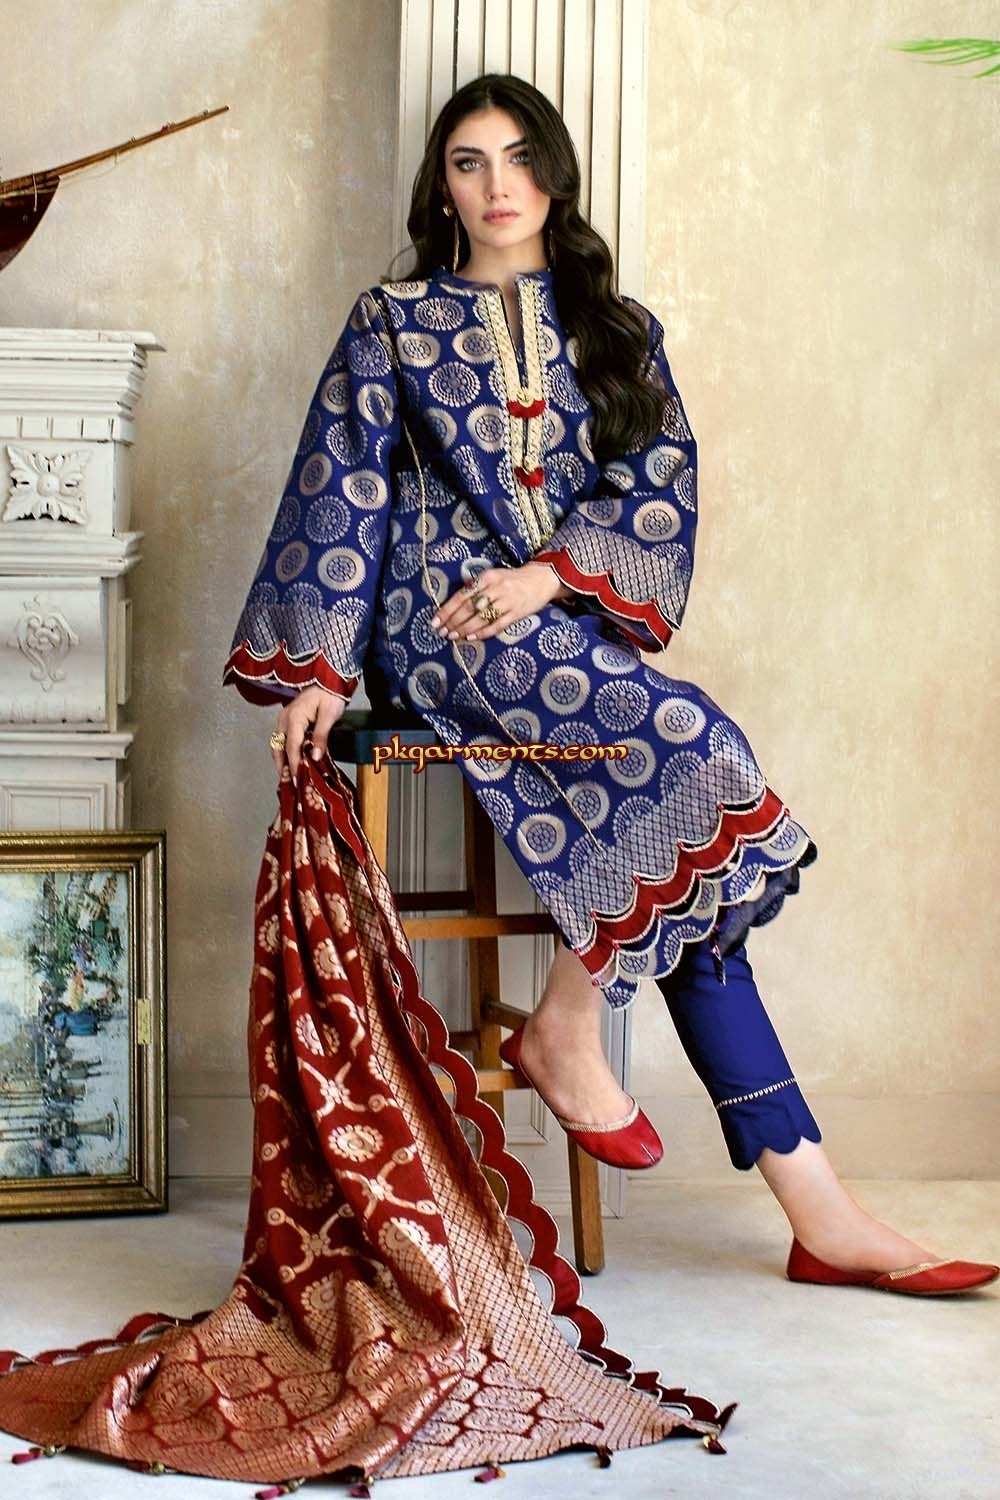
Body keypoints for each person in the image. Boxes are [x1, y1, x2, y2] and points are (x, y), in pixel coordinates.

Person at [226, 73, 996, 1297]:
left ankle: (814, 1207)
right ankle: (578, 1037)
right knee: (694, 757)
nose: (497, 185)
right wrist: (316, 667)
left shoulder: (615, 329)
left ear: (555, 174)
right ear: (442, 186)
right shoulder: (392, 320)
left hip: (553, 625)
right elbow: (343, 486)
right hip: (440, 626)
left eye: (518, 158)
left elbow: (655, 490)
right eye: (469, 162)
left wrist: (546, 576)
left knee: (698, 871)